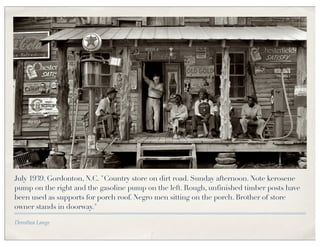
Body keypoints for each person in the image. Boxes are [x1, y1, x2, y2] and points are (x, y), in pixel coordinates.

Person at [143, 64, 164, 133]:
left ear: (159, 79)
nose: (156, 81)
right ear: (153, 79)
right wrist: (143, 67)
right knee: (149, 114)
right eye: (155, 79)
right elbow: (144, 77)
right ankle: (150, 129)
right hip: (149, 99)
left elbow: (161, 93)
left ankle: (156, 129)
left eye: (157, 79)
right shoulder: (151, 82)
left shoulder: (161, 85)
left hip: (157, 100)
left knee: (156, 115)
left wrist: (153, 90)